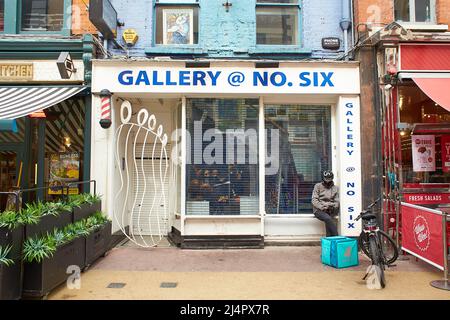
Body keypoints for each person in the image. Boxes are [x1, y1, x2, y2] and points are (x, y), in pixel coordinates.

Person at [311, 170, 339, 237]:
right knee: (328, 219)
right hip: (319, 210)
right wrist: (322, 207)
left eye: (329, 178)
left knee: (329, 226)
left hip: (330, 210)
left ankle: (330, 244)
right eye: (326, 178)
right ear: (323, 178)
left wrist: (331, 206)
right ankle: (337, 237)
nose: (327, 180)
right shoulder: (318, 186)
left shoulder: (335, 188)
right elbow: (314, 200)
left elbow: (337, 202)